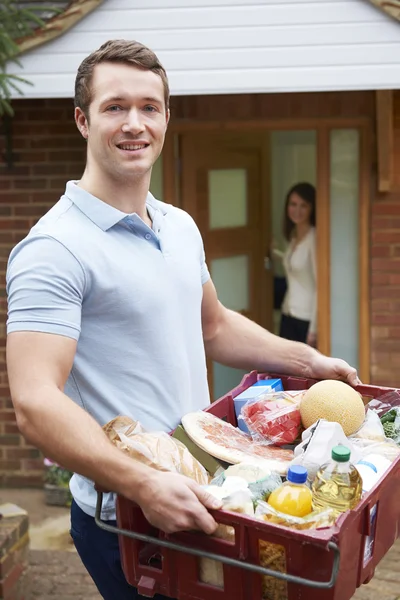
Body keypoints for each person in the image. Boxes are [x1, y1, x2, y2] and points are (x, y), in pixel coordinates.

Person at [6, 40, 359, 600]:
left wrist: (307, 360)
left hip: (203, 489)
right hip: (130, 515)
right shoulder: (53, 249)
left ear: (167, 117)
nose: (134, 123)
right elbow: (33, 401)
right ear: (82, 120)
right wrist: (144, 483)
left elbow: (214, 326)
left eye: (150, 107)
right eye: (114, 106)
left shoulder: (179, 226)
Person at [274, 182, 317, 347]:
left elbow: (320, 286)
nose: (297, 210)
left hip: (305, 319)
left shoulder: (314, 238)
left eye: (303, 205)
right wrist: (272, 253)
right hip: (287, 313)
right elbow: (292, 264)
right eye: (293, 204)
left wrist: (314, 329)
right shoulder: (293, 237)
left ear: (312, 208)